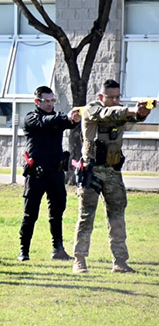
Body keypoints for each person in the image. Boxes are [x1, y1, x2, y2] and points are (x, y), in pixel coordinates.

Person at [72, 79, 151, 274]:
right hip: (92, 170)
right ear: (101, 97)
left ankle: (120, 261)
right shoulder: (92, 109)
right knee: (86, 216)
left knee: (117, 217)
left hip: (113, 171)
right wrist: (130, 111)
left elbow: (134, 117)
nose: (115, 100)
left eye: (118, 96)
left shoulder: (120, 110)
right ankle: (79, 260)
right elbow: (108, 113)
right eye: (111, 97)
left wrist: (142, 112)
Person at [18, 86, 80, 261]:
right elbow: (45, 122)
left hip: (55, 173)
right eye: (46, 101)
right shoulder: (31, 118)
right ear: (37, 101)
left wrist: (75, 118)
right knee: (30, 213)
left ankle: (58, 250)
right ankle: (24, 250)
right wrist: (64, 117)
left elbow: (70, 123)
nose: (50, 104)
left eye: (52, 100)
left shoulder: (56, 118)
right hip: (36, 174)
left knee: (57, 213)